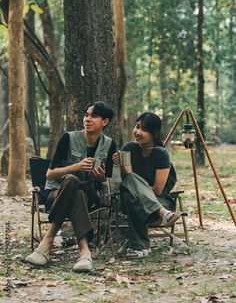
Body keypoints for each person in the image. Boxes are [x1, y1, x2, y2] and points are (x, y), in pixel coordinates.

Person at [26, 101, 116, 272]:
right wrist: (75, 167)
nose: (87, 119)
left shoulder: (110, 145)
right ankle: (84, 252)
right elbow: (49, 174)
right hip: (55, 194)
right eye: (86, 115)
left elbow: (107, 179)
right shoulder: (68, 138)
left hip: (88, 197)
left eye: (93, 116)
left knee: (79, 193)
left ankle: (47, 242)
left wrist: (100, 177)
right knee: (73, 182)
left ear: (105, 122)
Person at [113, 112, 180, 258]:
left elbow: (157, 190)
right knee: (128, 189)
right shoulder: (129, 148)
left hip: (158, 200)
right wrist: (122, 162)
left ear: (154, 134)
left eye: (143, 129)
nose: (137, 132)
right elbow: (128, 179)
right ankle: (163, 214)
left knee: (130, 197)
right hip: (155, 210)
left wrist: (138, 191)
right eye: (137, 126)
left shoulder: (161, 154)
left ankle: (141, 247)